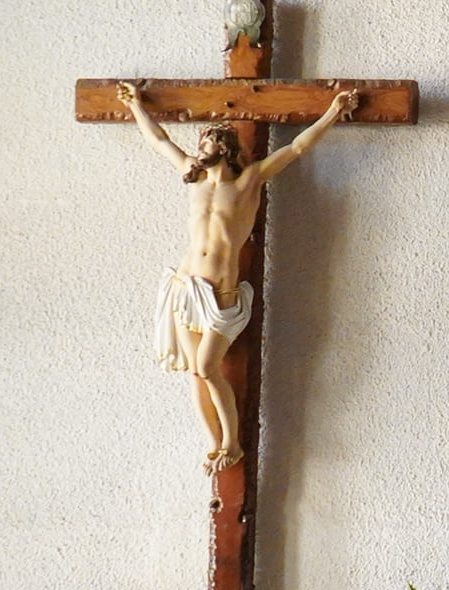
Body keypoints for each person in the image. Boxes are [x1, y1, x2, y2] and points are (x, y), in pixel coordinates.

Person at [119, 81, 359, 472]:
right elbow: (159, 140)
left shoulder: (249, 181)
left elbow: (297, 148)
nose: (201, 148)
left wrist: (334, 111)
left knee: (207, 367)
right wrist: (136, 106)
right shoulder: (193, 175)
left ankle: (233, 443)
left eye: (209, 142)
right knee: (195, 373)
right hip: (186, 288)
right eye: (202, 142)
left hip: (221, 294)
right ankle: (214, 444)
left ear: (225, 148)